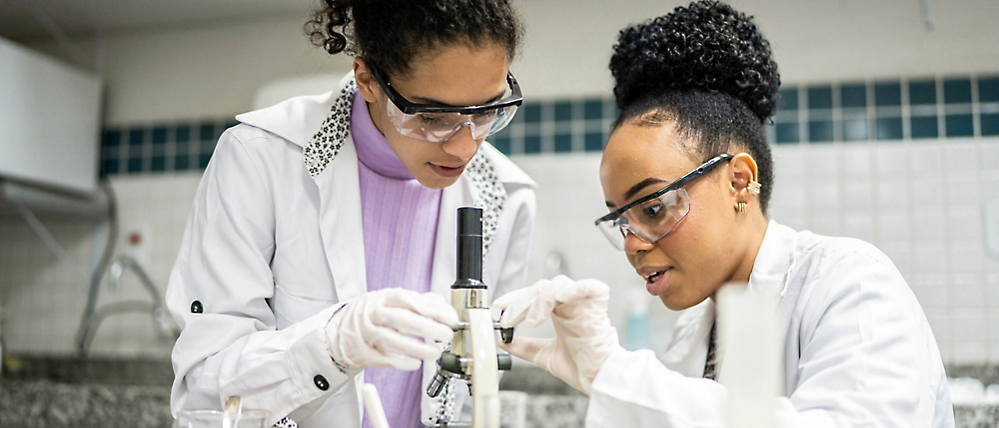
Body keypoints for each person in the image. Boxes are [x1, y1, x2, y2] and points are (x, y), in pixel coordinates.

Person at [493, 1, 954, 427]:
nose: (633, 243)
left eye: (653, 207)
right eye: (621, 219)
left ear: (739, 181)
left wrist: (615, 372)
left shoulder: (850, 284)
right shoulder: (696, 334)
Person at [165, 1, 536, 427]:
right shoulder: (260, 160)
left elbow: (475, 393)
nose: (465, 147)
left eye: (487, 111)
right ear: (368, 80)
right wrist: (329, 346)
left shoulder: (506, 196)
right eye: (433, 117)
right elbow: (204, 396)